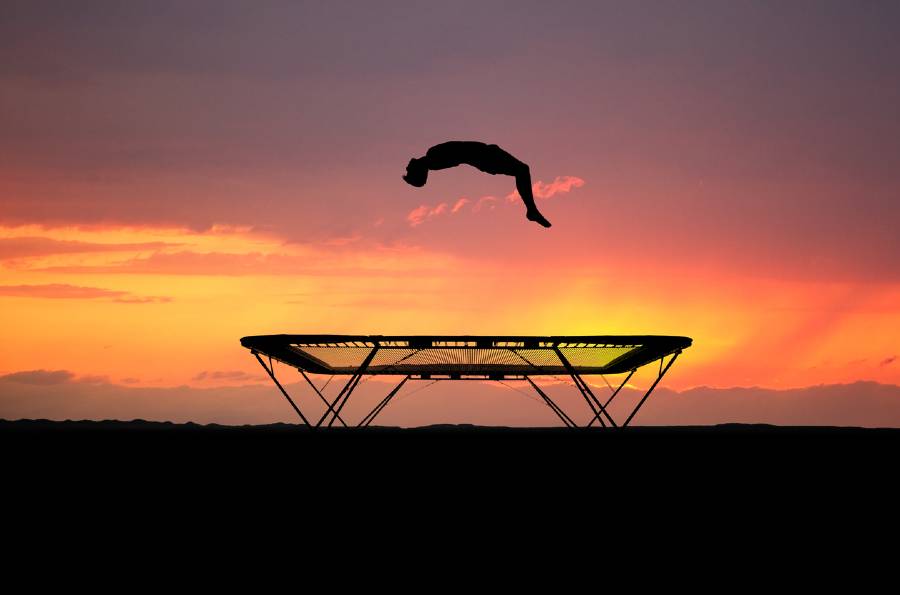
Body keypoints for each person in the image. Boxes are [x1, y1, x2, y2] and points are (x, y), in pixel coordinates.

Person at [402, 141, 552, 228]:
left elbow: (459, 152)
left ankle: (531, 210)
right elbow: (461, 154)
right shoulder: (433, 159)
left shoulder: (432, 157)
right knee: (522, 170)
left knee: (522, 170)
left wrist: (413, 170)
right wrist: (413, 169)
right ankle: (531, 210)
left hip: (486, 154)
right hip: (486, 157)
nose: (409, 163)